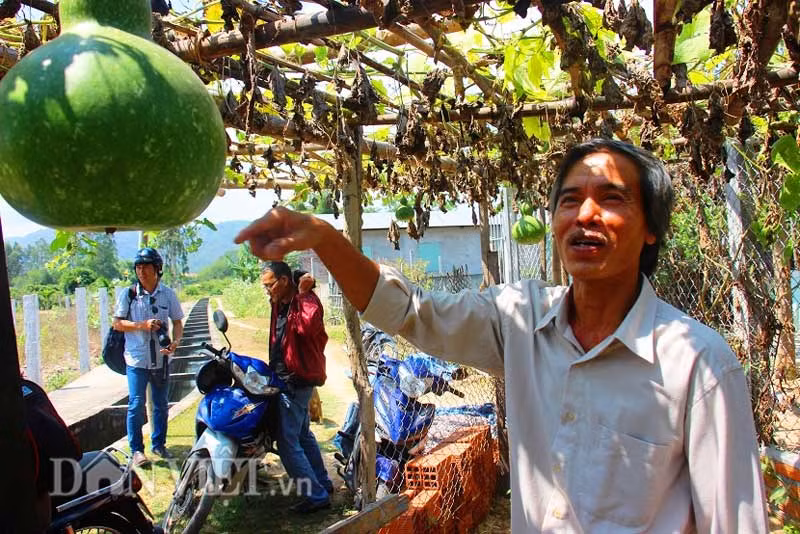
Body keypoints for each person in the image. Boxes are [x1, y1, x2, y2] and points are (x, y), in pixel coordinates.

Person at [236, 139, 768, 532]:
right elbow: (410, 312)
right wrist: (326, 240)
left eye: (611, 199)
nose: (585, 214)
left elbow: (734, 522)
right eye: (569, 199)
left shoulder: (698, 365)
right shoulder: (520, 319)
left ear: (651, 227)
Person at [261, 261, 333, 513]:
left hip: (297, 379)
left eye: (269, 285)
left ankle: (315, 496)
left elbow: (308, 327)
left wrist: (302, 294)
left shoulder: (307, 299)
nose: (267, 291)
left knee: (287, 442)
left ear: (283, 281)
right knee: (303, 434)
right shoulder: (278, 301)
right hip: (285, 377)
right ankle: (323, 483)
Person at [112, 247, 183, 467]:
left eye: (146, 267)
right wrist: (142, 325)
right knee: (136, 404)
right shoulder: (129, 294)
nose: (141, 271)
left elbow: (178, 322)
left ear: (157, 269)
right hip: (136, 359)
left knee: (161, 404)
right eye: (138, 267)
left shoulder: (168, 294)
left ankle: (159, 445)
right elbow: (117, 323)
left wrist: (175, 343)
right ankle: (136, 451)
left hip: (161, 359)